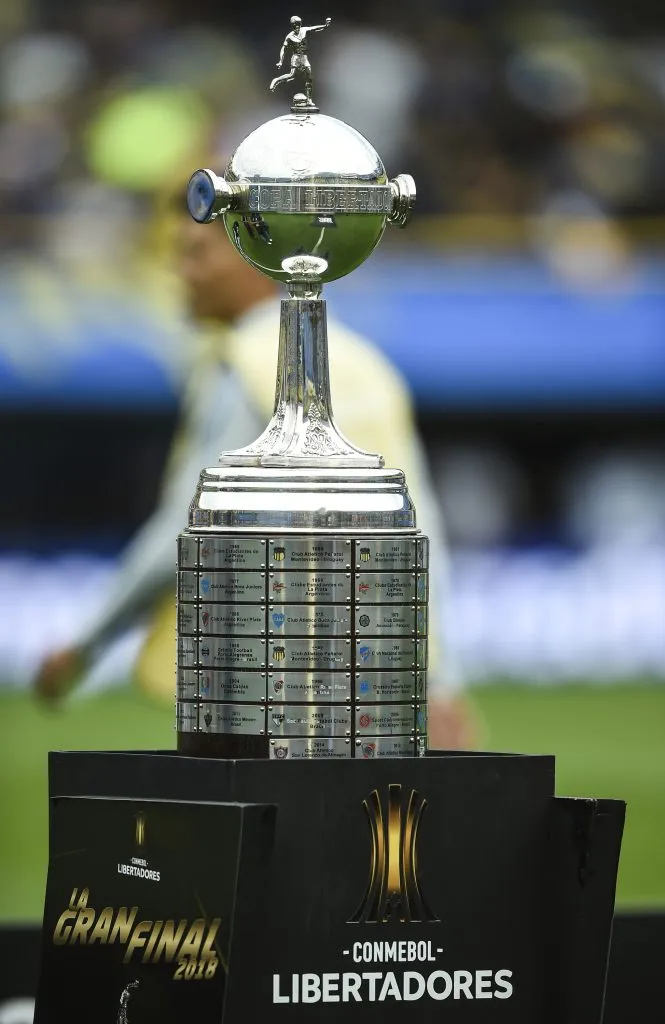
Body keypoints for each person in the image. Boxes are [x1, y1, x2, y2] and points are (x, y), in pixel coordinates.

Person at [33, 207, 476, 749]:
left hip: (269, 671)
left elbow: (186, 526)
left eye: (197, 254)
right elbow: (418, 528)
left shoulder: (245, 364)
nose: (182, 272)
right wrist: (438, 677)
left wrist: (86, 644)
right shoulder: (366, 363)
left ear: (254, 255)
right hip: (373, 672)